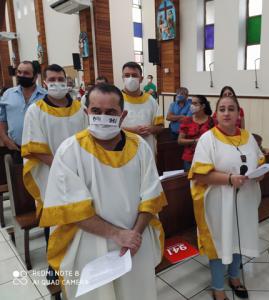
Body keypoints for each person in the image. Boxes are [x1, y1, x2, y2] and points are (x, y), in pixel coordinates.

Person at [40, 83, 167, 300]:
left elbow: (151, 197)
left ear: (123, 115)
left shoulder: (140, 147)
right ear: (86, 112)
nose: (102, 117)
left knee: (137, 293)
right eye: (96, 112)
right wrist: (117, 234)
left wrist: (133, 234)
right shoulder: (70, 151)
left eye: (111, 113)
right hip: (90, 245)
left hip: (135, 243)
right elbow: (70, 209)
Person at [189, 95, 265, 300]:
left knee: (238, 237)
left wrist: (260, 173)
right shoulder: (208, 139)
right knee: (219, 242)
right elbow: (199, 174)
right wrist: (230, 179)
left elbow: (259, 161)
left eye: (231, 109)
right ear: (215, 114)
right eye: (222, 109)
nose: (226, 113)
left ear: (238, 113)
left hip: (244, 200)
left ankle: (234, 277)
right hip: (218, 200)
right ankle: (218, 286)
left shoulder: (248, 138)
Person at [22, 63, 87, 218]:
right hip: (50, 173)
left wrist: (77, 168)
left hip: (80, 173)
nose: (57, 83)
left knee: (81, 215)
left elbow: (89, 141)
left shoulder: (80, 109)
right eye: (52, 79)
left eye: (60, 79)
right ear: (44, 83)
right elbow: (35, 149)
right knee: (54, 218)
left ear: (66, 81)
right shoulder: (35, 111)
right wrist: (64, 166)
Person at [0, 61, 47, 160]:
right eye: (19, 72)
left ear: (35, 77)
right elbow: (2, 119)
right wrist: (5, 139)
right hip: (16, 149)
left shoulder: (46, 96)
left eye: (26, 73)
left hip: (41, 151)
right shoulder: (8, 95)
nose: (21, 75)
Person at [120, 62, 164, 154]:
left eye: (134, 75)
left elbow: (160, 127)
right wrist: (132, 130)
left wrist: (152, 129)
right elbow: (109, 127)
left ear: (141, 79)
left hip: (147, 150)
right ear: (123, 78)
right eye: (127, 75)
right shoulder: (115, 99)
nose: (130, 78)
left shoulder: (151, 100)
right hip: (123, 151)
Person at [178, 95, 214, 171]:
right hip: (189, 159)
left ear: (203, 106)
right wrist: (195, 141)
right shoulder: (187, 120)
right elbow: (180, 140)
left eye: (195, 103)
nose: (192, 106)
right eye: (191, 103)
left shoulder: (212, 121)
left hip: (207, 158)